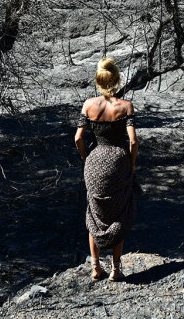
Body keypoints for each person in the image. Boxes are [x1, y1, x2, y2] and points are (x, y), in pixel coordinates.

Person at [74, 57, 139, 281]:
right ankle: (116, 270)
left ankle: (95, 268)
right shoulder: (126, 106)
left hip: (94, 161)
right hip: (118, 162)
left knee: (95, 214)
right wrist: (131, 164)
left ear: (98, 80)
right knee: (117, 214)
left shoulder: (88, 105)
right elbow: (132, 142)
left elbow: (78, 138)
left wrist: (86, 158)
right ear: (117, 80)